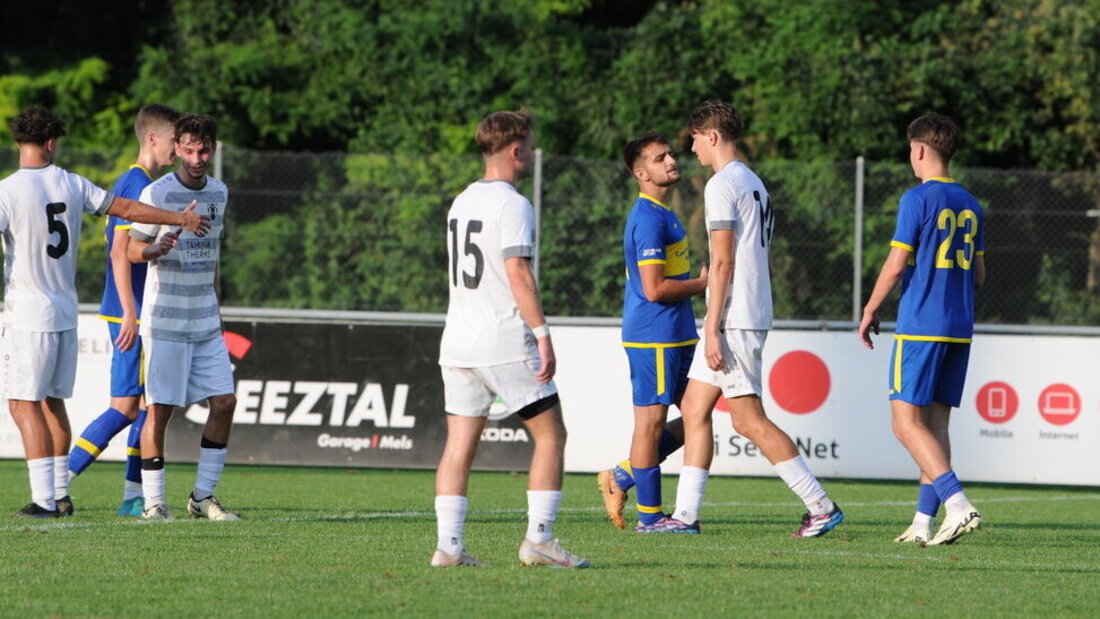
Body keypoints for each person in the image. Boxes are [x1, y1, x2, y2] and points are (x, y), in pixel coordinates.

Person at [0, 106, 209, 518]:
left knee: (23, 404)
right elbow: (128, 211)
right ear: (52, 143)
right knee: (53, 404)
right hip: (65, 311)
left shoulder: (8, 191)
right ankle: (60, 493)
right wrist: (178, 218)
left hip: (27, 313)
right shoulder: (72, 182)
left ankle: (45, 500)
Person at [664, 100, 843, 537]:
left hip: (734, 316)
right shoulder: (753, 180)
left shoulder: (722, 183)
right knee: (693, 407)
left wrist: (711, 325)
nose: (690, 147)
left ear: (712, 136)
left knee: (747, 419)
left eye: (694, 138)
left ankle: (820, 506)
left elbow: (722, 262)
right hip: (745, 309)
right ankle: (685, 516)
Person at [432, 110, 588, 568]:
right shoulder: (513, 203)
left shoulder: (461, 200)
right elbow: (517, 270)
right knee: (551, 435)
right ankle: (539, 540)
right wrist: (542, 334)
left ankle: (449, 547)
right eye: (530, 147)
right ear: (516, 150)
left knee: (459, 445)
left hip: (457, 341)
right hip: (500, 338)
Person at [859, 113, 984, 546]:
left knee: (904, 423)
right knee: (935, 427)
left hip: (921, 325)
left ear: (920, 150)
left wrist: (871, 307)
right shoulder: (972, 203)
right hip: (959, 327)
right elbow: (980, 275)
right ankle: (923, 522)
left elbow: (895, 265)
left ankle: (958, 504)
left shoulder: (917, 199)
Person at [67, 104, 182, 516]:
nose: (178, 149)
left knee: (148, 408)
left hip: (135, 310)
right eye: (173, 140)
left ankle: (133, 497)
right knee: (125, 407)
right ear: (152, 139)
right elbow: (119, 252)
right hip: (127, 312)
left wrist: (154, 250)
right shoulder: (135, 185)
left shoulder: (138, 181)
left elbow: (133, 251)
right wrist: (130, 313)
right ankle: (57, 483)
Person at [127, 113, 237, 522]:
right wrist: (156, 249)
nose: (196, 157)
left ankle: (203, 497)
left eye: (203, 149)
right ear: (175, 148)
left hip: (205, 321)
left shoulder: (220, 192)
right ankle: (155, 503)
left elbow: (212, 260)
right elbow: (131, 250)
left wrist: (217, 312)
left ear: (212, 148)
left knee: (225, 402)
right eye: (188, 149)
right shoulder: (156, 193)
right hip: (166, 323)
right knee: (161, 411)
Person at [607, 132, 707, 533]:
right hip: (655, 334)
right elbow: (654, 289)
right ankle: (650, 517)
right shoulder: (648, 217)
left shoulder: (666, 212)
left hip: (678, 332)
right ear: (640, 172)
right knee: (650, 423)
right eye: (659, 157)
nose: (670, 161)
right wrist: (703, 284)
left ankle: (625, 475)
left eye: (669, 154)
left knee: (699, 416)